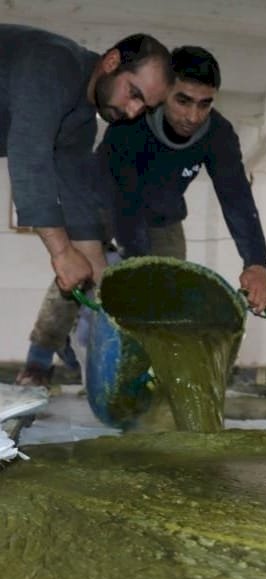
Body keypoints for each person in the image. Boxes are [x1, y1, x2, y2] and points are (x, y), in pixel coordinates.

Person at [16, 45, 266, 386]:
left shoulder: (218, 134)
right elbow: (127, 209)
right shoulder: (133, 125)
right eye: (183, 100)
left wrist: (256, 262)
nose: (194, 116)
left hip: (163, 214)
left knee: (170, 286)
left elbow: (236, 196)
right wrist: (130, 278)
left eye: (204, 103)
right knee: (79, 270)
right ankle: (39, 359)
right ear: (164, 93)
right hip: (103, 201)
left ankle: (150, 369)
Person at [1, 24, 173, 386]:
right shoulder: (54, 64)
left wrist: (102, 281)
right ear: (111, 62)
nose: (132, 111)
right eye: (133, 93)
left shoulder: (80, 120)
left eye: (144, 106)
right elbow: (29, 157)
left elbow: (76, 193)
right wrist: (62, 252)